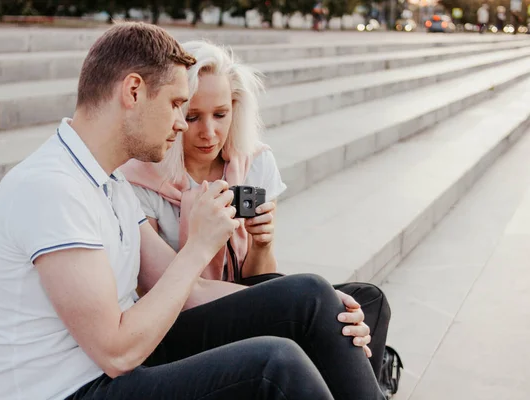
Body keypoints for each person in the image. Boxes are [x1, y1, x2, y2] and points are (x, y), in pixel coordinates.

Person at [0, 22, 385, 400]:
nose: (183, 124)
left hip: (123, 366)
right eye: (175, 105)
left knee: (311, 296)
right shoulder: (51, 187)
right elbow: (116, 352)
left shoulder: (109, 183)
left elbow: (193, 293)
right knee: (274, 367)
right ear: (133, 92)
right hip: (78, 389)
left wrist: (326, 309)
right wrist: (198, 247)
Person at [121, 40, 391, 381]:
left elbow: (259, 273)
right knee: (318, 304)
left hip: (241, 295)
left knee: (368, 302)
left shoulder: (253, 162)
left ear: (236, 108)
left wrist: (262, 243)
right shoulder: (142, 178)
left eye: (220, 114)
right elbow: (154, 293)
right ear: (174, 112)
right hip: (179, 320)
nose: (209, 132)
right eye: (192, 117)